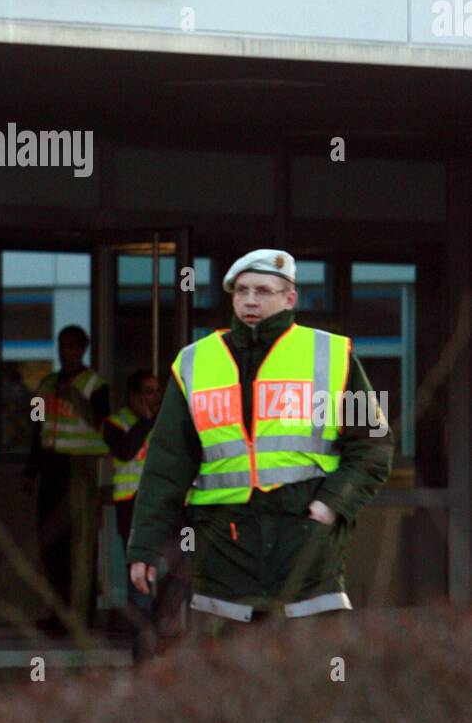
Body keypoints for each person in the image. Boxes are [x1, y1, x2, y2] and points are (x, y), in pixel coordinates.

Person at [128, 249, 394, 638]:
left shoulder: (333, 356)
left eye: (264, 291)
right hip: (223, 551)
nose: (250, 300)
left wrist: (329, 508)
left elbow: (373, 446)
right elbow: (166, 466)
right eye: (242, 290)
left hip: (305, 544)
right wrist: (144, 548)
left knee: (313, 673)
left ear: (290, 299)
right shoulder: (193, 363)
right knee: (228, 678)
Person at [24, 326, 110, 634]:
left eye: (73, 346)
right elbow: (38, 429)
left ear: (83, 349)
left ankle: (81, 618)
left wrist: (73, 395)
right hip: (50, 468)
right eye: (63, 346)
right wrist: (30, 471)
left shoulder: (95, 385)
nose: (67, 352)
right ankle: (59, 614)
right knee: (52, 547)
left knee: (80, 546)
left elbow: (102, 424)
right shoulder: (46, 384)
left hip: (80, 469)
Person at [102, 369, 170, 658]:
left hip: (163, 506)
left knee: (173, 571)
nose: (154, 397)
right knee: (139, 574)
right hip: (131, 507)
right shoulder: (116, 423)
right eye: (148, 391)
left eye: (157, 391)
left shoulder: (165, 422)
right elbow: (125, 451)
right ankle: (143, 649)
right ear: (133, 395)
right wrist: (145, 421)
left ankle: (160, 633)